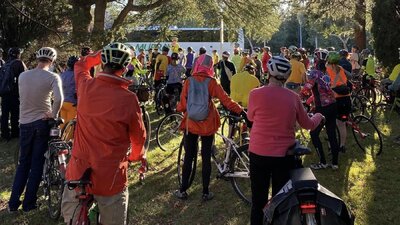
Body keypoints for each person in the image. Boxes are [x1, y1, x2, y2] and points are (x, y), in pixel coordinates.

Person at [61, 43, 146, 225]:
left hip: (79, 168)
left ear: (102, 63)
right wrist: (136, 156)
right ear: (124, 68)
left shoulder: (85, 86)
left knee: (71, 216)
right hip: (110, 175)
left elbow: (80, 65)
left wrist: (100, 53)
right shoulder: (129, 99)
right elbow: (139, 137)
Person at [247, 56, 324, 225]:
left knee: (258, 200)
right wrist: (318, 115)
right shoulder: (293, 97)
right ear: (288, 75)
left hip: (258, 153)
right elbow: (308, 124)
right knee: (280, 199)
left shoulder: (255, 94)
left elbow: (250, 117)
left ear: (268, 73)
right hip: (283, 155)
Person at [174, 54, 244, 201]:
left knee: (188, 157)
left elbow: (182, 104)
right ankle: (205, 192)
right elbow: (226, 100)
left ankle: (182, 190)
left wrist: (180, 108)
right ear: (210, 66)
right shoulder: (212, 82)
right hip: (208, 124)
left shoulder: (188, 81)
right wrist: (241, 111)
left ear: (197, 65)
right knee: (206, 158)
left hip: (191, 124)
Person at [8, 47, 63, 212]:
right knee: (37, 163)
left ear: (37, 59)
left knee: (23, 163)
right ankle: (29, 204)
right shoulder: (52, 77)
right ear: (52, 61)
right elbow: (59, 98)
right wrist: (53, 113)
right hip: (41, 122)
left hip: (24, 123)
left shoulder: (23, 76)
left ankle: (13, 204)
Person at [301, 50, 340, 170]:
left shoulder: (314, 73)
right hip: (333, 105)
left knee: (314, 133)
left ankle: (323, 162)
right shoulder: (326, 73)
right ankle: (334, 163)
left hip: (321, 108)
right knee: (332, 134)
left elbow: (307, 88)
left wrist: (300, 94)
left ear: (315, 60)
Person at [326, 52, 352, 153]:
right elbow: (349, 77)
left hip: (335, 99)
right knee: (342, 124)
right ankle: (342, 145)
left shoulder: (326, 70)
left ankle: (330, 146)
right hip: (346, 99)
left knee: (331, 123)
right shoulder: (340, 68)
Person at [1, 47, 27, 141]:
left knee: (5, 114)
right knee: (15, 113)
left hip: (4, 93)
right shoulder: (19, 63)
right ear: (18, 54)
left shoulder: (5, 64)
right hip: (15, 93)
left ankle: (4, 133)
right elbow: (24, 78)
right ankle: (15, 133)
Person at [60, 56, 79, 129]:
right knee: (70, 126)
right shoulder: (77, 75)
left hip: (62, 102)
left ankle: (59, 139)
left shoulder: (62, 74)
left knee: (62, 124)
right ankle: (66, 140)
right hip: (72, 103)